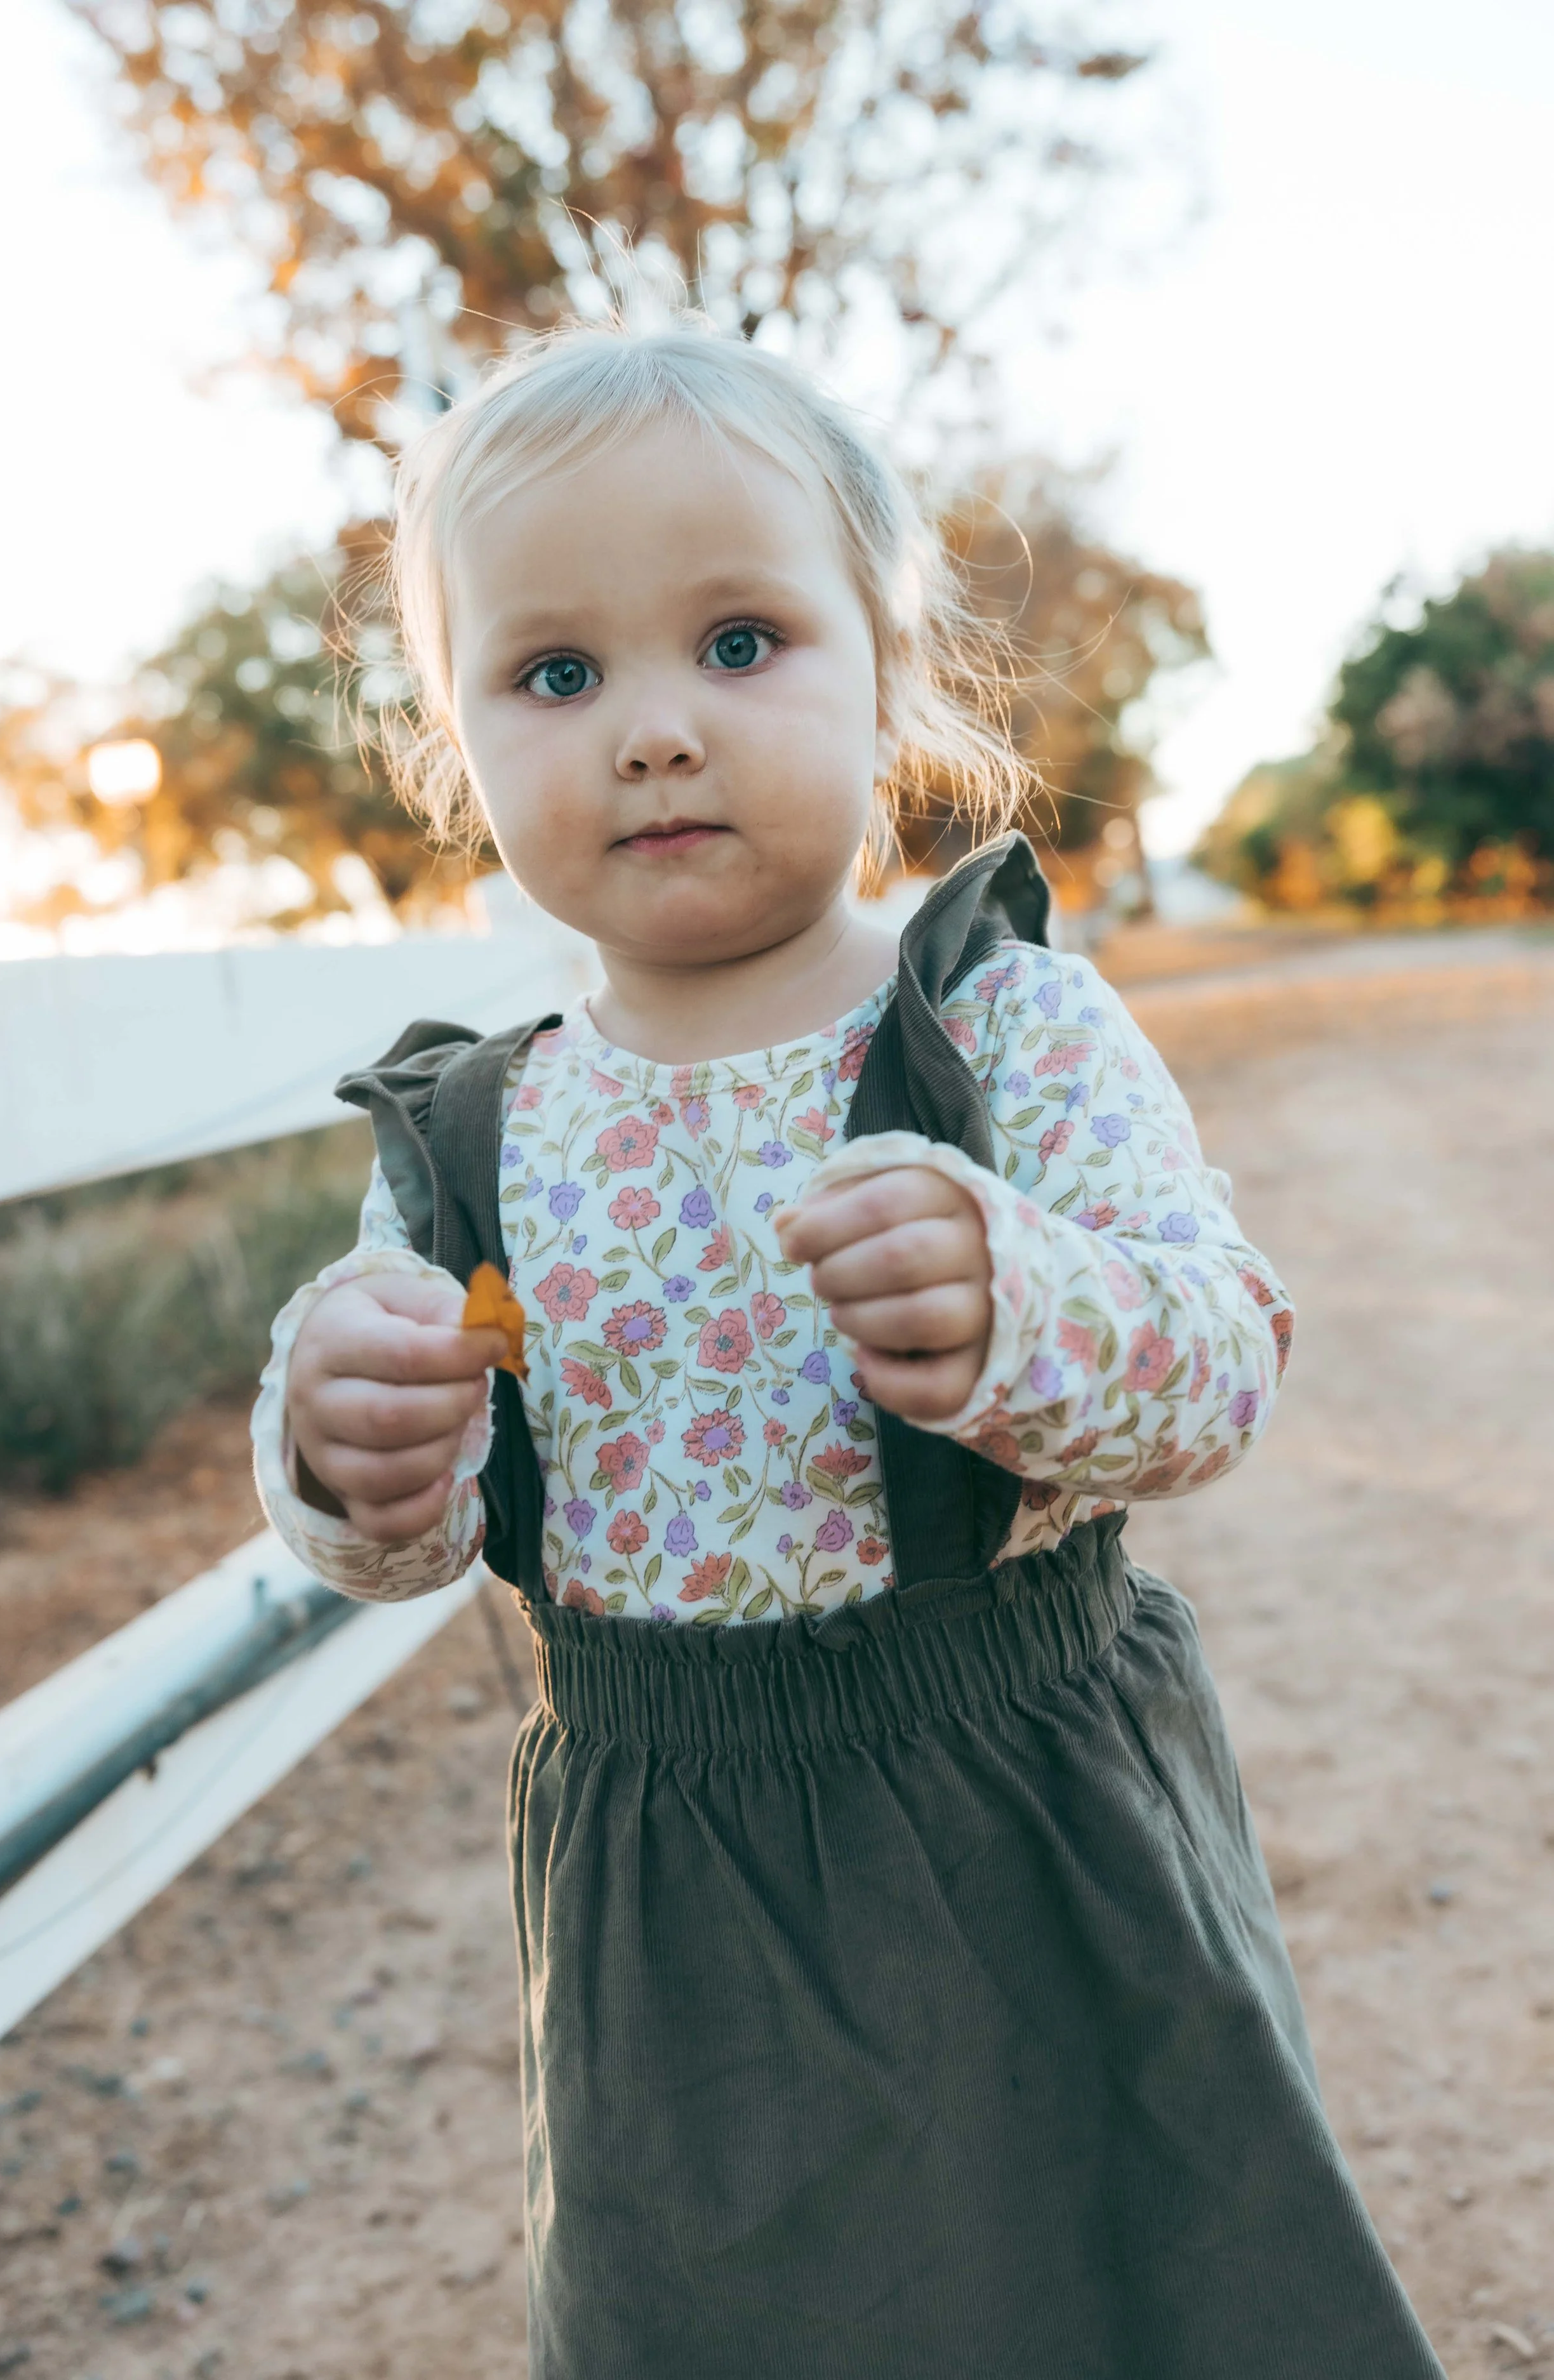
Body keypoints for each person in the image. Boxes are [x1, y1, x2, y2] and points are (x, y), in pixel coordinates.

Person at [251, 322, 1441, 2378]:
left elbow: (1218, 1355)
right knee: (713, 2311)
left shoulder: (999, 1027)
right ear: (454, 748)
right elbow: (407, 1535)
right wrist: (345, 1448)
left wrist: (1018, 1303)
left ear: (887, 680)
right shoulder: (470, 1135)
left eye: (737, 640)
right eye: (554, 673)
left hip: (1022, 1794)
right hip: (664, 1864)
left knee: (1127, 2282)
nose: (651, 730)